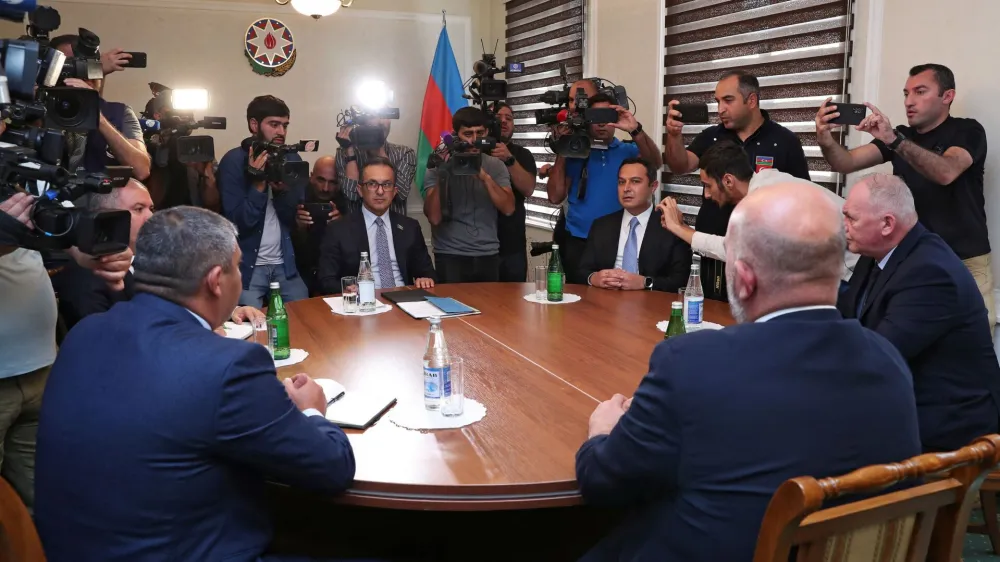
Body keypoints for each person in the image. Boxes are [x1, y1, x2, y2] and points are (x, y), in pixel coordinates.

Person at [575, 182, 921, 562]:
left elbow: (603, 482)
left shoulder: (690, 364)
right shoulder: (888, 361)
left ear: (744, 277)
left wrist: (603, 432)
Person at [35, 207, 356, 562]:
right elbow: (332, 468)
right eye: (238, 266)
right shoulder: (227, 365)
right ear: (216, 280)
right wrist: (312, 409)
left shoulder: (84, 333)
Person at [817, 64, 994, 326]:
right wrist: (825, 139)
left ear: (947, 97)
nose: (909, 101)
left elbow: (946, 172)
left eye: (920, 92)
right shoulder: (903, 135)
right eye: (906, 93)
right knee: (907, 342)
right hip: (913, 258)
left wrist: (894, 141)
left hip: (965, 259)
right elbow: (845, 162)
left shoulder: (968, 130)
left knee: (973, 344)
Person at [837, 174, 1000, 452]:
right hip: (906, 400)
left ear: (887, 224)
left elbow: (880, 354)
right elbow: (848, 314)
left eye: (851, 218)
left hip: (949, 425)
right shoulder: (878, 252)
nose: (844, 226)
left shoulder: (930, 272)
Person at [0, 191, 131, 511]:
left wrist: (86, 250)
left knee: (44, 505)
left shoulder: (18, 160)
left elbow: (49, 229)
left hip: (41, 363)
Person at [664, 70, 810, 301]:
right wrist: (673, 134)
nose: (720, 108)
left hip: (762, 253)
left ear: (751, 100)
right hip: (713, 246)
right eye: (717, 101)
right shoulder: (712, 137)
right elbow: (680, 166)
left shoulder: (784, 141)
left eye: (728, 100)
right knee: (711, 313)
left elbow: (803, 200)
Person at [658, 141, 858, 283]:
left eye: (708, 185)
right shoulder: (767, 181)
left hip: (848, 274)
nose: (707, 195)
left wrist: (678, 228)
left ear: (728, 181)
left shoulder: (765, 200)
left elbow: (733, 250)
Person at [545, 93, 663, 284]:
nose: (601, 124)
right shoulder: (575, 152)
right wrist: (563, 149)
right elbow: (555, 196)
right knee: (578, 302)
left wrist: (635, 130)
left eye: (606, 117)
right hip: (578, 240)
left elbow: (655, 163)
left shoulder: (628, 150)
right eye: (595, 117)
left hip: (616, 241)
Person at [219, 95, 309, 307]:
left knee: (305, 316)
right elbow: (238, 223)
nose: (281, 132)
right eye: (274, 124)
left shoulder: (292, 159)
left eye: (285, 125)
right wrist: (258, 184)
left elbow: (292, 220)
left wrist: (282, 194)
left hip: (285, 265)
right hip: (248, 268)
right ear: (253, 125)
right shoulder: (233, 161)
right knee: (249, 327)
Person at [423, 107, 514, 283]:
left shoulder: (496, 166)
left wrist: (484, 177)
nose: (474, 140)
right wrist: (444, 173)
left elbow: (509, 208)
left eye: (480, 133)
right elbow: (434, 217)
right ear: (456, 135)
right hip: (450, 254)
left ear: (487, 133)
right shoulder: (438, 165)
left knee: (490, 309)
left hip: (487, 253)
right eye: (468, 134)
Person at [319, 157, 436, 293]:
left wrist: (425, 279)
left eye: (386, 185)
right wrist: (347, 288)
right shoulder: (338, 229)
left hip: (404, 299)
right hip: (363, 301)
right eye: (372, 184)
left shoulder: (410, 227)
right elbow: (326, 279)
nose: (380, 191)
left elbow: (427, 272)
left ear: (394, 191)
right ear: (360, 190)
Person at [580, 158, 691, 292]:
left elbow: (680, 281)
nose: (626, 188)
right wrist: (594, 278)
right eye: (621, 182)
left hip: (652, 305)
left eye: (635, 181)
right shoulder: (601, 225)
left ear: (653, 187)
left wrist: (646, 283)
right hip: (606, 300)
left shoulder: (671, 228)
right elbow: (581, 271)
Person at [51, 35, 151, 182]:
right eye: (69, 65)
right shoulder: (42, 107)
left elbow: (141, 170)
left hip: (103, 200)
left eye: (87, 64)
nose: (80, 72)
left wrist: (97, 117)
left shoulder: (118, 112)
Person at [141, 89, 220, 211]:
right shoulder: (144, 148)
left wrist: (207, 177)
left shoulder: (197, 149)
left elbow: (212, 204)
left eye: (188, 112)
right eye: (175, 110)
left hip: (192, 220)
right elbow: (149, 201)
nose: (184, 115)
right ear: (157, 115)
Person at [336, 115, 416, 216]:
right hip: (357, 228)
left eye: (384, 115)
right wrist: (350, 151)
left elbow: (401, 194)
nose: (380, 122)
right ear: (362, 121)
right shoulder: (344, 152)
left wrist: (379, 150)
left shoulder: (405, 153)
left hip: (394, 227)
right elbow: (351, 195)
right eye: (374, 115)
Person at [493, 102, 538, 282]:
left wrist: (509, 159)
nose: (504, 122)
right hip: (479, 246)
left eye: (509, 118)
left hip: (512, 245)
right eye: (498, 118)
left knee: (515, 303)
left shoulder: (523, 154)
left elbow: (528, 189)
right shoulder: (476, 152)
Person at [293, 156, 344, 296]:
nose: (326, 188)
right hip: (302, 273)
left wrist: (342, 227)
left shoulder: (346, 202)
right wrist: (300, 228)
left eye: (332, 182)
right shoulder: (296, 197)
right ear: (311, 177)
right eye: (321, 180)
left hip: (335, 274)